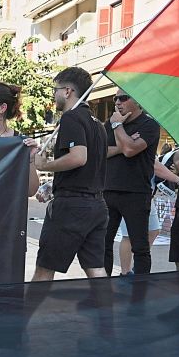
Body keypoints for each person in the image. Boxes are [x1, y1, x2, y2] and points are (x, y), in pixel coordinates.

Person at [31, 67, 108, 281]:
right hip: (96, 204)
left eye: (55, 90)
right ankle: (108, 314)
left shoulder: (71, 118)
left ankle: (27, 314)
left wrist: (44, 165)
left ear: (67, 91)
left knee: (45, 267)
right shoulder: (98, 124)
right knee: (95, 268)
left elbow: (78, 158)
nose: (53, 95)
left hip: (72, 206)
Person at [102, 90, 161, 275]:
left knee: (140, 246)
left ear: (138, 100)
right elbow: (100, 152)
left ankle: (139, 294)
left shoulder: (149, 125)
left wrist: (118, 126)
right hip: (108, 190)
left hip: (135, 193)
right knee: (103, 243)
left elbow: (130, 150)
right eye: (115, 98)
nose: (118, 102)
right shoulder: (108, 124)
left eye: (123, 98)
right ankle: (102, 291)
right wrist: (123, 144)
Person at [0, 83, 41, 197]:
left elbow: (30, 191)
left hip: (5, 213)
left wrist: (30, 160)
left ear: (2, 108)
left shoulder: (21, 144)